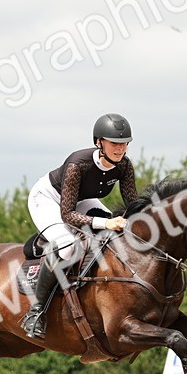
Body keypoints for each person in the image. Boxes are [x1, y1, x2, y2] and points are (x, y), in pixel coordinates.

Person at [20, 113, 138, 339]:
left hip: (83, 200)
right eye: (114, 143)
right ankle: (36, 313)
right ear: (99, 142)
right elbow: (67, 215)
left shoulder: (124, 166)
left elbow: (132, 205)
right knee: (66, 246)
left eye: (124, 144)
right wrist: (106, 222)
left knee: (118, 231)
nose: (120, 149)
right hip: (49, 199)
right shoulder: (78, 164)